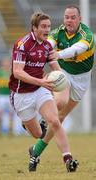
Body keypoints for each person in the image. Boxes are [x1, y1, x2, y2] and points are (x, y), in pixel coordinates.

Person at [9, 12, 78, 173]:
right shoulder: (22, 44)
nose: (47, 29)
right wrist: (41, 81)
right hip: (21, 94)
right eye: (43, 26)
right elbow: (17, 72)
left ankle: (68, 159)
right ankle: (28, 124)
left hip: (40, 90)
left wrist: (62, 80)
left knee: (55, 120)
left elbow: (56, 68)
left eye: (49, 26)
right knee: (38, 134)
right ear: (34, 28)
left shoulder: (47, 46)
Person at [31, 5, 95, 170]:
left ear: (79, 19)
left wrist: (59, 54)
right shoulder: (58, 32)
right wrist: (45, 48)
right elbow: (49, 42)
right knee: (59, 102)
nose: (69, 20)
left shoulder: (86, 35)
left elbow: (77, 49)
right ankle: (42, 118)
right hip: (63, 72)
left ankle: (36, 150)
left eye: (73, 17)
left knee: (60, 118)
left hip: (82, 80)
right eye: (67, 17)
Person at [0, 58, 14, 135]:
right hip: (1, 95)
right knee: (0, 113)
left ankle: (10, 130)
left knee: (10, 113)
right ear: (3, 63)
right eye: (5, 62)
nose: (6, 64)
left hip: (9, 96)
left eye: (7, 62)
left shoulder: (12, 72)